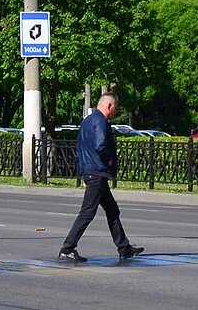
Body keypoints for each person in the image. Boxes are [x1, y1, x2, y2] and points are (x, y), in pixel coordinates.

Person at [59, 93, 144, 263]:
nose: (114, 112)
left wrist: (83, 169)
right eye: (115, 109)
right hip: (97, 172)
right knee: (87, 212)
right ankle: (67, 248)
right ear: (109, 106)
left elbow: (78, 149)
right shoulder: (101, 121)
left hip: (91, 171)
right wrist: (110, 159)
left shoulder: (86, 121)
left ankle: (124, 248)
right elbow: (100, 145)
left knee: (112, 209)